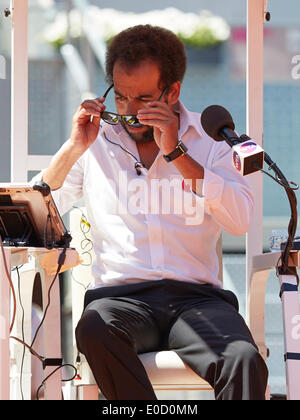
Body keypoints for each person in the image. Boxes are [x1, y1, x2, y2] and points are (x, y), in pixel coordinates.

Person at [36, 24, 268, 400]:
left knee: (243, 358)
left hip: (198, 300)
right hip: (120, 301)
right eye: (121, 97)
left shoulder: (214, 140)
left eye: (144, 98)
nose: (130, 112)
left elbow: (239, 220)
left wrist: (177, 153)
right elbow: (39, 211)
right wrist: (74, 147)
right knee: (94, 329)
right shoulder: (97, 142)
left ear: (173, 91)